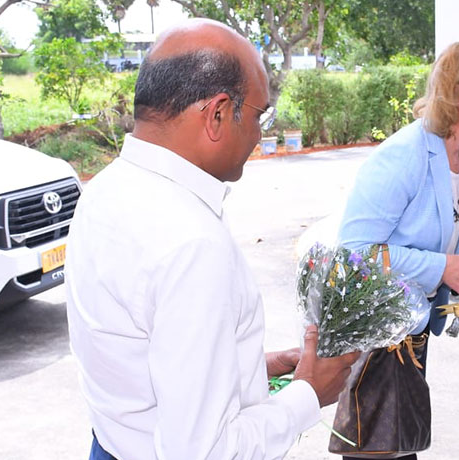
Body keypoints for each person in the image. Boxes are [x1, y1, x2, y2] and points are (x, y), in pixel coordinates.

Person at [65, 19, 357, 460]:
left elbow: (140, 358)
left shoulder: (105, 191)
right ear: (219, 113)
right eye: (260, 116)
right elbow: (204, 451)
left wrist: (248, 370)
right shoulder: (191, 243)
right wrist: (308, 393)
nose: (259, 135)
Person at [335, 41, 459, 459]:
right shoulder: (403, 155)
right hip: (378, 337)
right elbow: (353, 250)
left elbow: (432, 235)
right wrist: (442, 267)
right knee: (378, 451)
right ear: (455, 92)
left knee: (398, 447)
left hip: (410, 333)